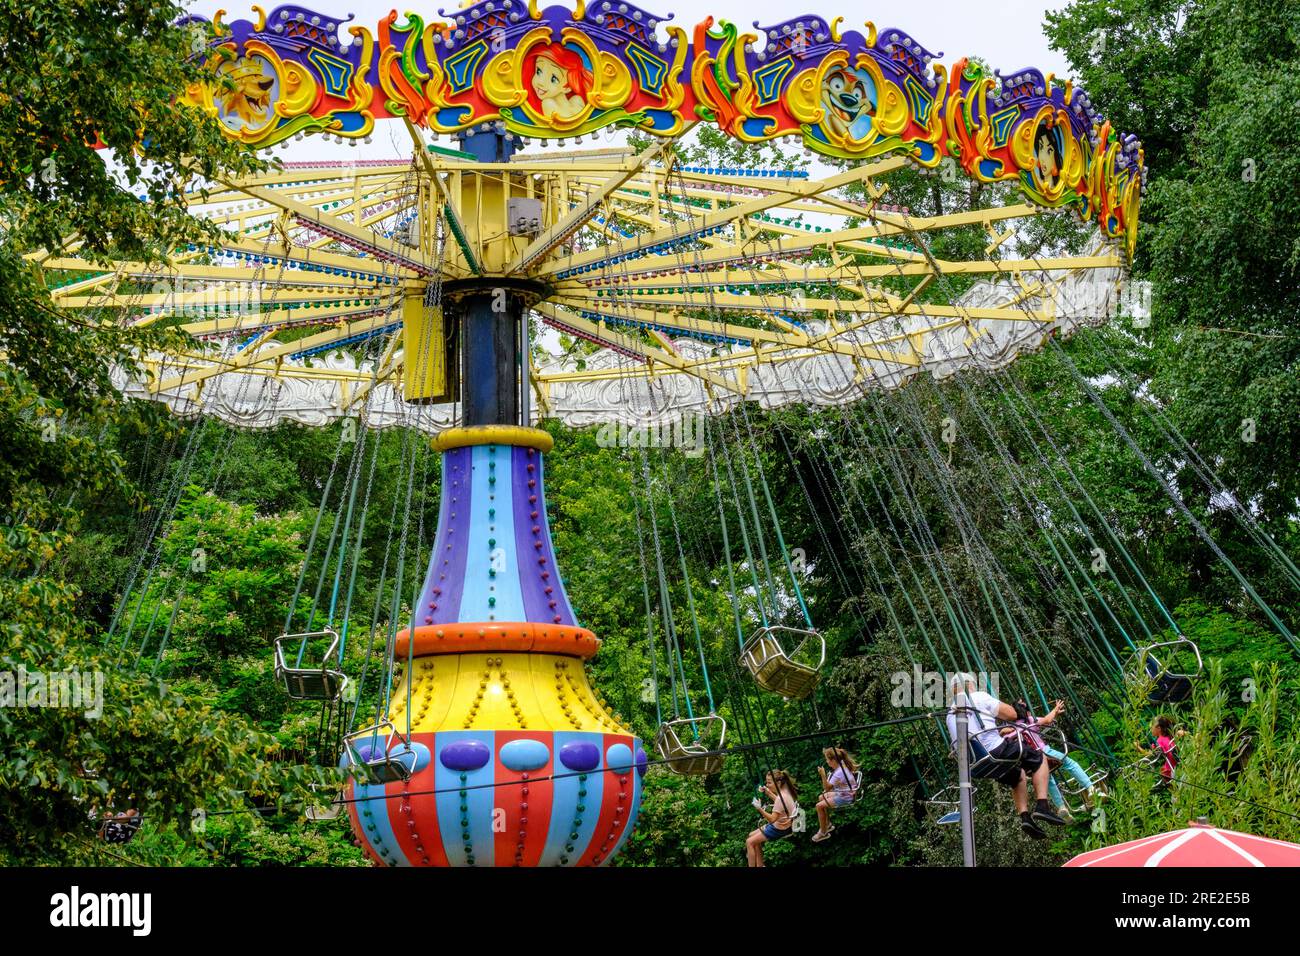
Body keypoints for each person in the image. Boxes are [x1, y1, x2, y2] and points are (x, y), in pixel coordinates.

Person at [945, 673, 1065, 838]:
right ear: (970, 684)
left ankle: (1025, 817)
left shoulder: (950, 713)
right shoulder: (978, 697)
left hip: (973, 764)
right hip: (993, 750)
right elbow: (1011, 714)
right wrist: (1019, 709)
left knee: (1017, 775)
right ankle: (1042, 806)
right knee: (1039, 757)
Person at [1017, 698, 1105, 821]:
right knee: (1070, 763)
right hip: (1044, 751)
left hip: (1032, 760)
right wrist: (1055, 709)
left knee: (1048, 779)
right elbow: (1047, 720)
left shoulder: (1013, 727)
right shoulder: (1030, 720)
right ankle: (1090, 788)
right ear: (1027, 712)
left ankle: (1061, 807)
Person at [746, 769, 799, 867]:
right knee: (751, 836)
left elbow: (772, 819)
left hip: (779, 828)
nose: (767, 784)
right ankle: (760, 865)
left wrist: (759, 808)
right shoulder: (785, 792)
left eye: (769, 782)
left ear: (778, 782)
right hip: (783, 824)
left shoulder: (781, 797)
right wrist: (768, 792)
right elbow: (781, 803)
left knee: (749, 842)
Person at [811, 747, 858, 843]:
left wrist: (823, 775)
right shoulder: (842, 766)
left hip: (845, 796)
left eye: (827, 760)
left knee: (818, 806)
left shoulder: (839, 773)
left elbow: (827, 788)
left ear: (833, 760)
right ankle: (827, 824)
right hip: (844, 792)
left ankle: (823, 832)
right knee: (821, 797)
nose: (827, 762)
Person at [1136, 715, 1185, 791]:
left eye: (1152, 726)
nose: (1151, 728)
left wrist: (1138, 748)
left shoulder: (1160, 741)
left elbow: (1151, 756)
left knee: (1175, 794)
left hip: (1170, 772)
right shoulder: (1170, 737)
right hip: (1177, 769)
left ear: (1159, 728)